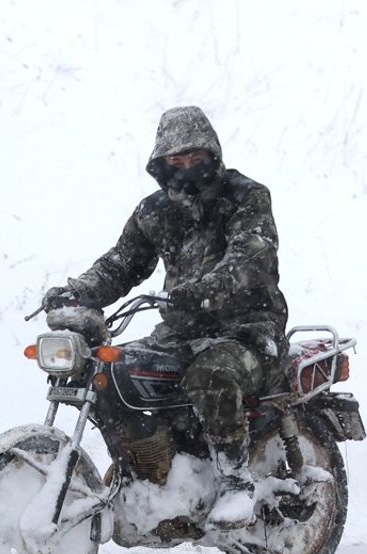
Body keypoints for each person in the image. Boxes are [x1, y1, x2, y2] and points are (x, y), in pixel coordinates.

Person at [42, 106, 288, 529]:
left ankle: (235, 482)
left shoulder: (246, 196)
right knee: (111, 370)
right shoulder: (154, 211)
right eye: (176, 161)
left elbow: (251, 255)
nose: (187, 167)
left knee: (211, 375)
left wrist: (205, 289)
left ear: (212, 154)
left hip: (248, 329)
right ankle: (146, 477)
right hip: (180, 330)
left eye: (195, 158)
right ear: (162, 164)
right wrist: (78, 292)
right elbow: (122, 263)